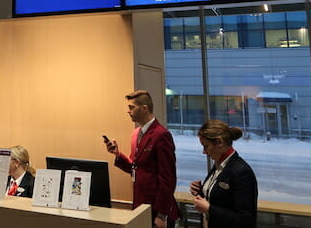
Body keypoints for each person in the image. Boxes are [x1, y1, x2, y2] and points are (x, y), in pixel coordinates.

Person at [105, 90, 179, 227]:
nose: (128, 111)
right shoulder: (136, 134)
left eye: (131, 107)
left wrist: (162, 214)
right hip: (140, 205)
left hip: (157, 209)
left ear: (144, 108)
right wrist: (117, 155)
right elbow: (135, 168)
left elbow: (168, 178)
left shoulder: (161, 135)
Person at [190, 120, 258, 228]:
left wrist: (209, 209)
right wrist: (201, 190)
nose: (204, 152)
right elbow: (220, 199)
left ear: (220, 143)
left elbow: (246, 220)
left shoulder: (242, 172)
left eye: (206, 146)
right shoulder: (219, 165)